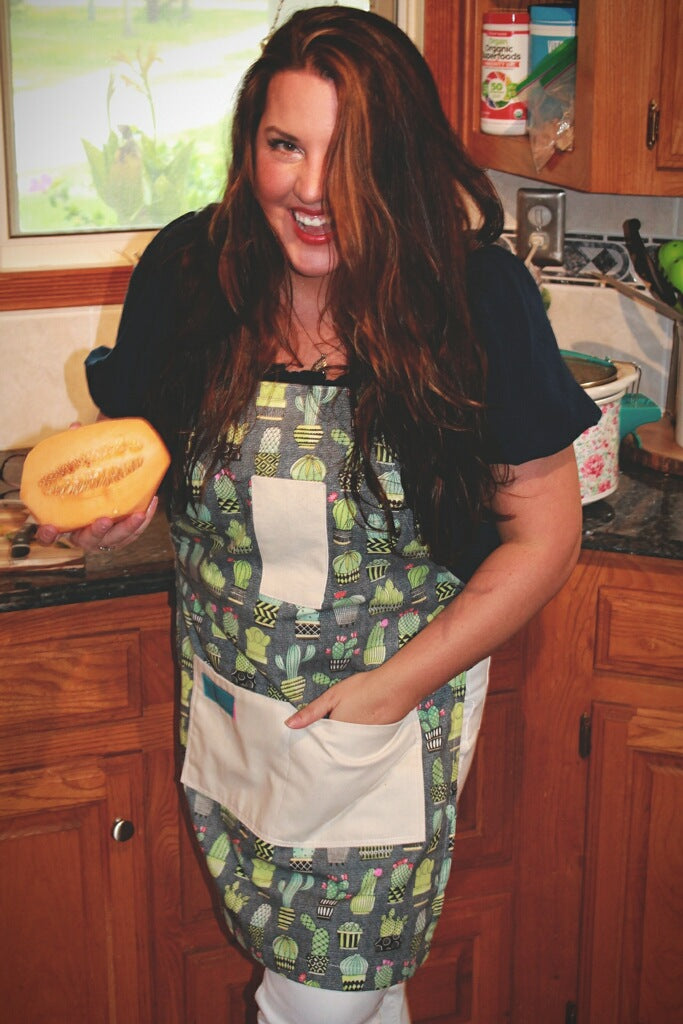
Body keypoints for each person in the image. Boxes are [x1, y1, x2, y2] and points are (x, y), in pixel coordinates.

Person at [38, 7, 600, 1023]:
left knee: (318, 1001)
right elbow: (157, 465)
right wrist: (119, 515)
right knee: (346, 994)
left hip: (386, 714)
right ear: (248, 141)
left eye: (347, 157)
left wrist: (391, 688)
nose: (307, 189)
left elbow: (546, 532)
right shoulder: (187, 273)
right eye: (283, 145)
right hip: (229, 704)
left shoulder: (471, 298)